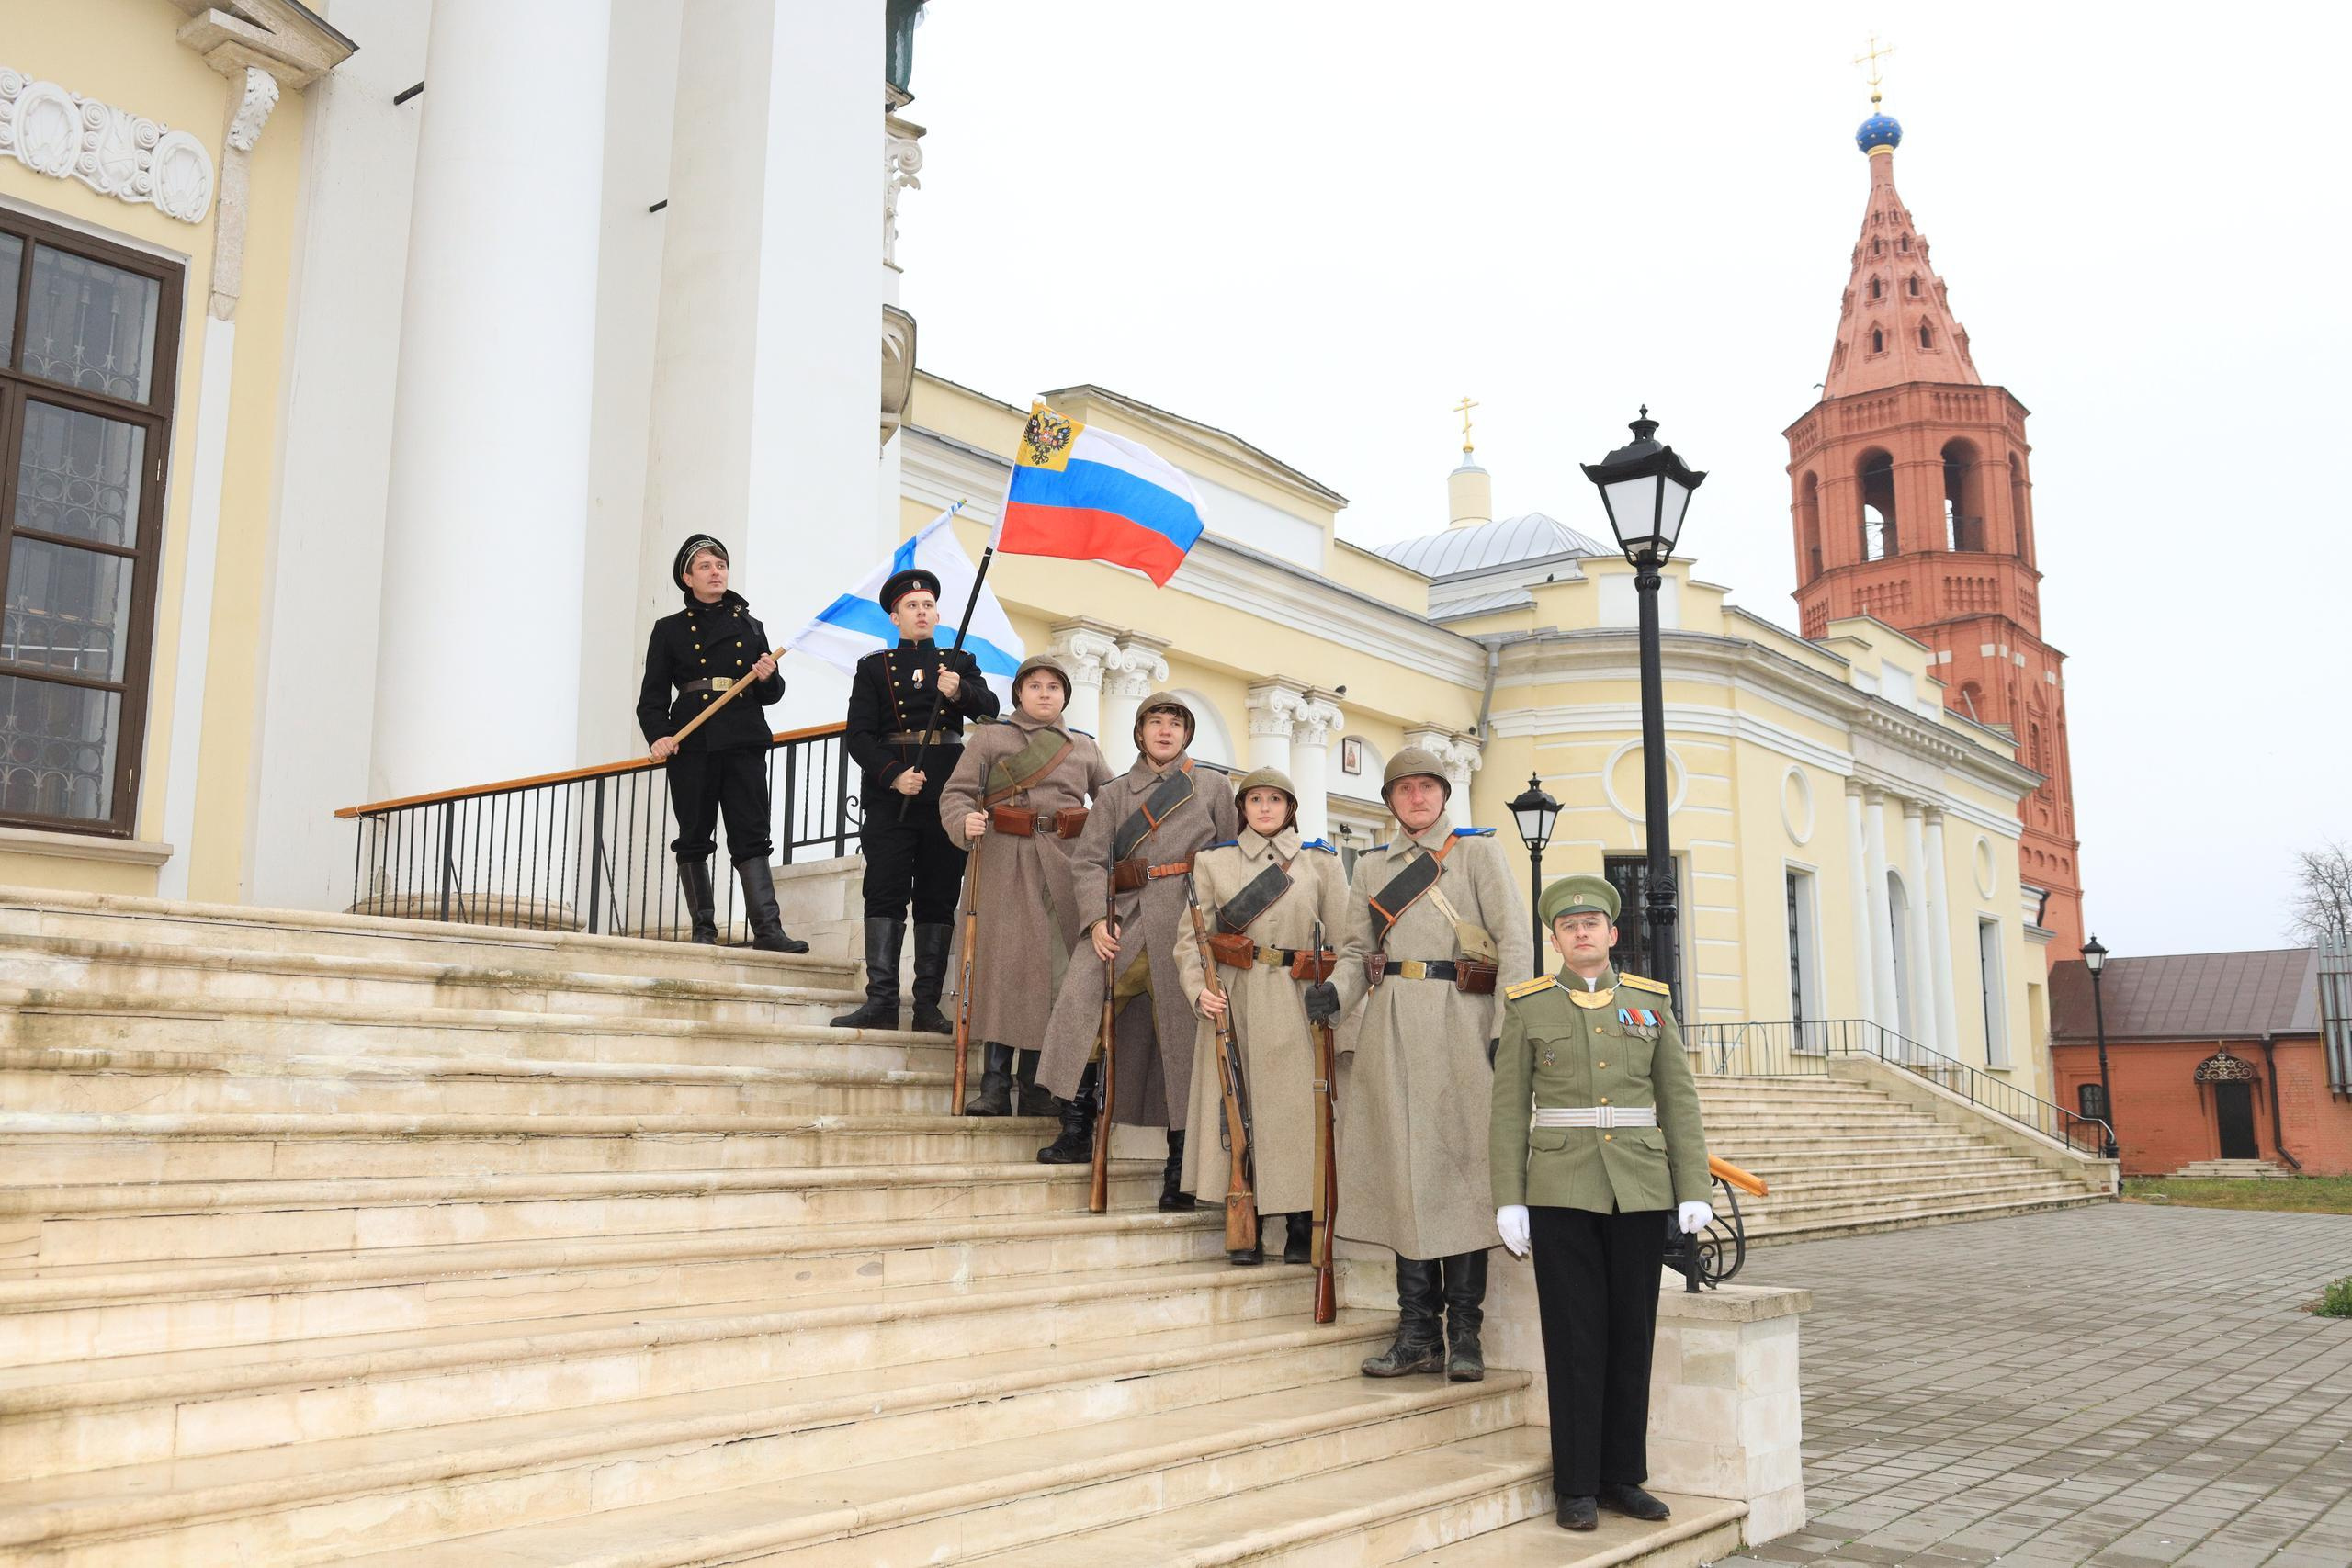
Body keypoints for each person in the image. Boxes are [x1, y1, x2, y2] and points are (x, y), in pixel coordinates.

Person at [1491, 874, 1713, 1534]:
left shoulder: (1650, 1002)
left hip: (1640, 1188)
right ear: (1555, 938)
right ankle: (1577, 1484)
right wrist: (1510, 1197)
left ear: (1613, 934)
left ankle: (1622, 1477)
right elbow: (1508, 1111)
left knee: (1631, 1335)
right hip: (1561, 1189)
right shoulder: (1529, 1006)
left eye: (1593, 921)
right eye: (1569, 924)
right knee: (1573, 1337)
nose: (1582, 931)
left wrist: (1693, 1185)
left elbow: (1679, 1100)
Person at [1322, 747, 1530, 1382]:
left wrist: (1507, 1025)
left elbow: (1516, 939)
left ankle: (1465, 1331)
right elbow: (1358, 949)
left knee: (1463, 1172)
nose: (1417, 798)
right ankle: (1417, 1332)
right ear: (1390, 800)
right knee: (1399, 1173)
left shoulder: (1477, 853)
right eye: (1405, 789)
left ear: (1443, 794)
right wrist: (1334, 992)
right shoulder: (1371, 865)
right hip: (1391, 1026)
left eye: (1427, 787)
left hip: (1460, 1019)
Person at [1034, 693, 1238, 1208]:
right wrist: (1097, 919)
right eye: (1155, 723)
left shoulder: (1213, 786)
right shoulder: (1117, 793)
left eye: (1175, 723)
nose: (1165, 731)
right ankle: (1076, 1127)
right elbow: (1088, 862)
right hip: (1123, 918)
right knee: (1079, 1006)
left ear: (1187, 734)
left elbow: (1233, 858)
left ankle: (1181, 1169)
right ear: (1140, 733)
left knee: (1184, 1041)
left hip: (1187, 925)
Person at [1172, 767, 1349, 1266]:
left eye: (1276, 800)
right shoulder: (1213, 862)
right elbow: (1191, 940)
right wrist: (1198, 990)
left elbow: (1349, 942)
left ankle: (1298, 1221)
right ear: (1242, 808)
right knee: (1238, 1109)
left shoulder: (1321, 864)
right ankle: (1244, 1219)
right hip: (1235, 997)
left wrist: (1333, 995)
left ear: (1291, 807)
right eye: (1255, 800)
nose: (1265, 808)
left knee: (1296, 1113)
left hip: (1298, 999)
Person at [938, 653, 1114, 1115]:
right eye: (1034, 686)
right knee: (1001, 969)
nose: (1044, 694)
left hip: (1065, 864)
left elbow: (1112, 805)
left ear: (1064, 696)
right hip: (1003, 858)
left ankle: (1038, 1086)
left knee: (1055, 975)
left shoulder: (1084, 748)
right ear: (1019, 693)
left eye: (1053, 687)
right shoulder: (991, 737)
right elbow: (956, 792)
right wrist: (964, 821)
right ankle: (994, 1085)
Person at [831, 568, 1000, 1032]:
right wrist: (893, 775)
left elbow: (990, 711)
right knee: (884, 891)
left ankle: (927, 1006)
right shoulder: (873, 667)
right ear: (895, 616)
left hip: (948, 792)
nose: (921, 612)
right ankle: (882, 1001)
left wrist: (959, 691)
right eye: (911, 606)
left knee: (937, 896)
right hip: (893, 795)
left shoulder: (958, 661)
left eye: (927, 605)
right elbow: (859, 736)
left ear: (938, 614)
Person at [636, 534, 808, 953]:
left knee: (752, 832)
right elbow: (652, 697)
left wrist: (770, 675)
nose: (717, 573)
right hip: (692, 739)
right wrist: (660, 736)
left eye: (721, 565)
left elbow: (771, 693)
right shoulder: (669, 630)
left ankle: (768, 930)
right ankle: (703, 930)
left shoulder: (751, 626)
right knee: (695, 833)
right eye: (706, 567)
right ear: (687, 577)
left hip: (743, 736)